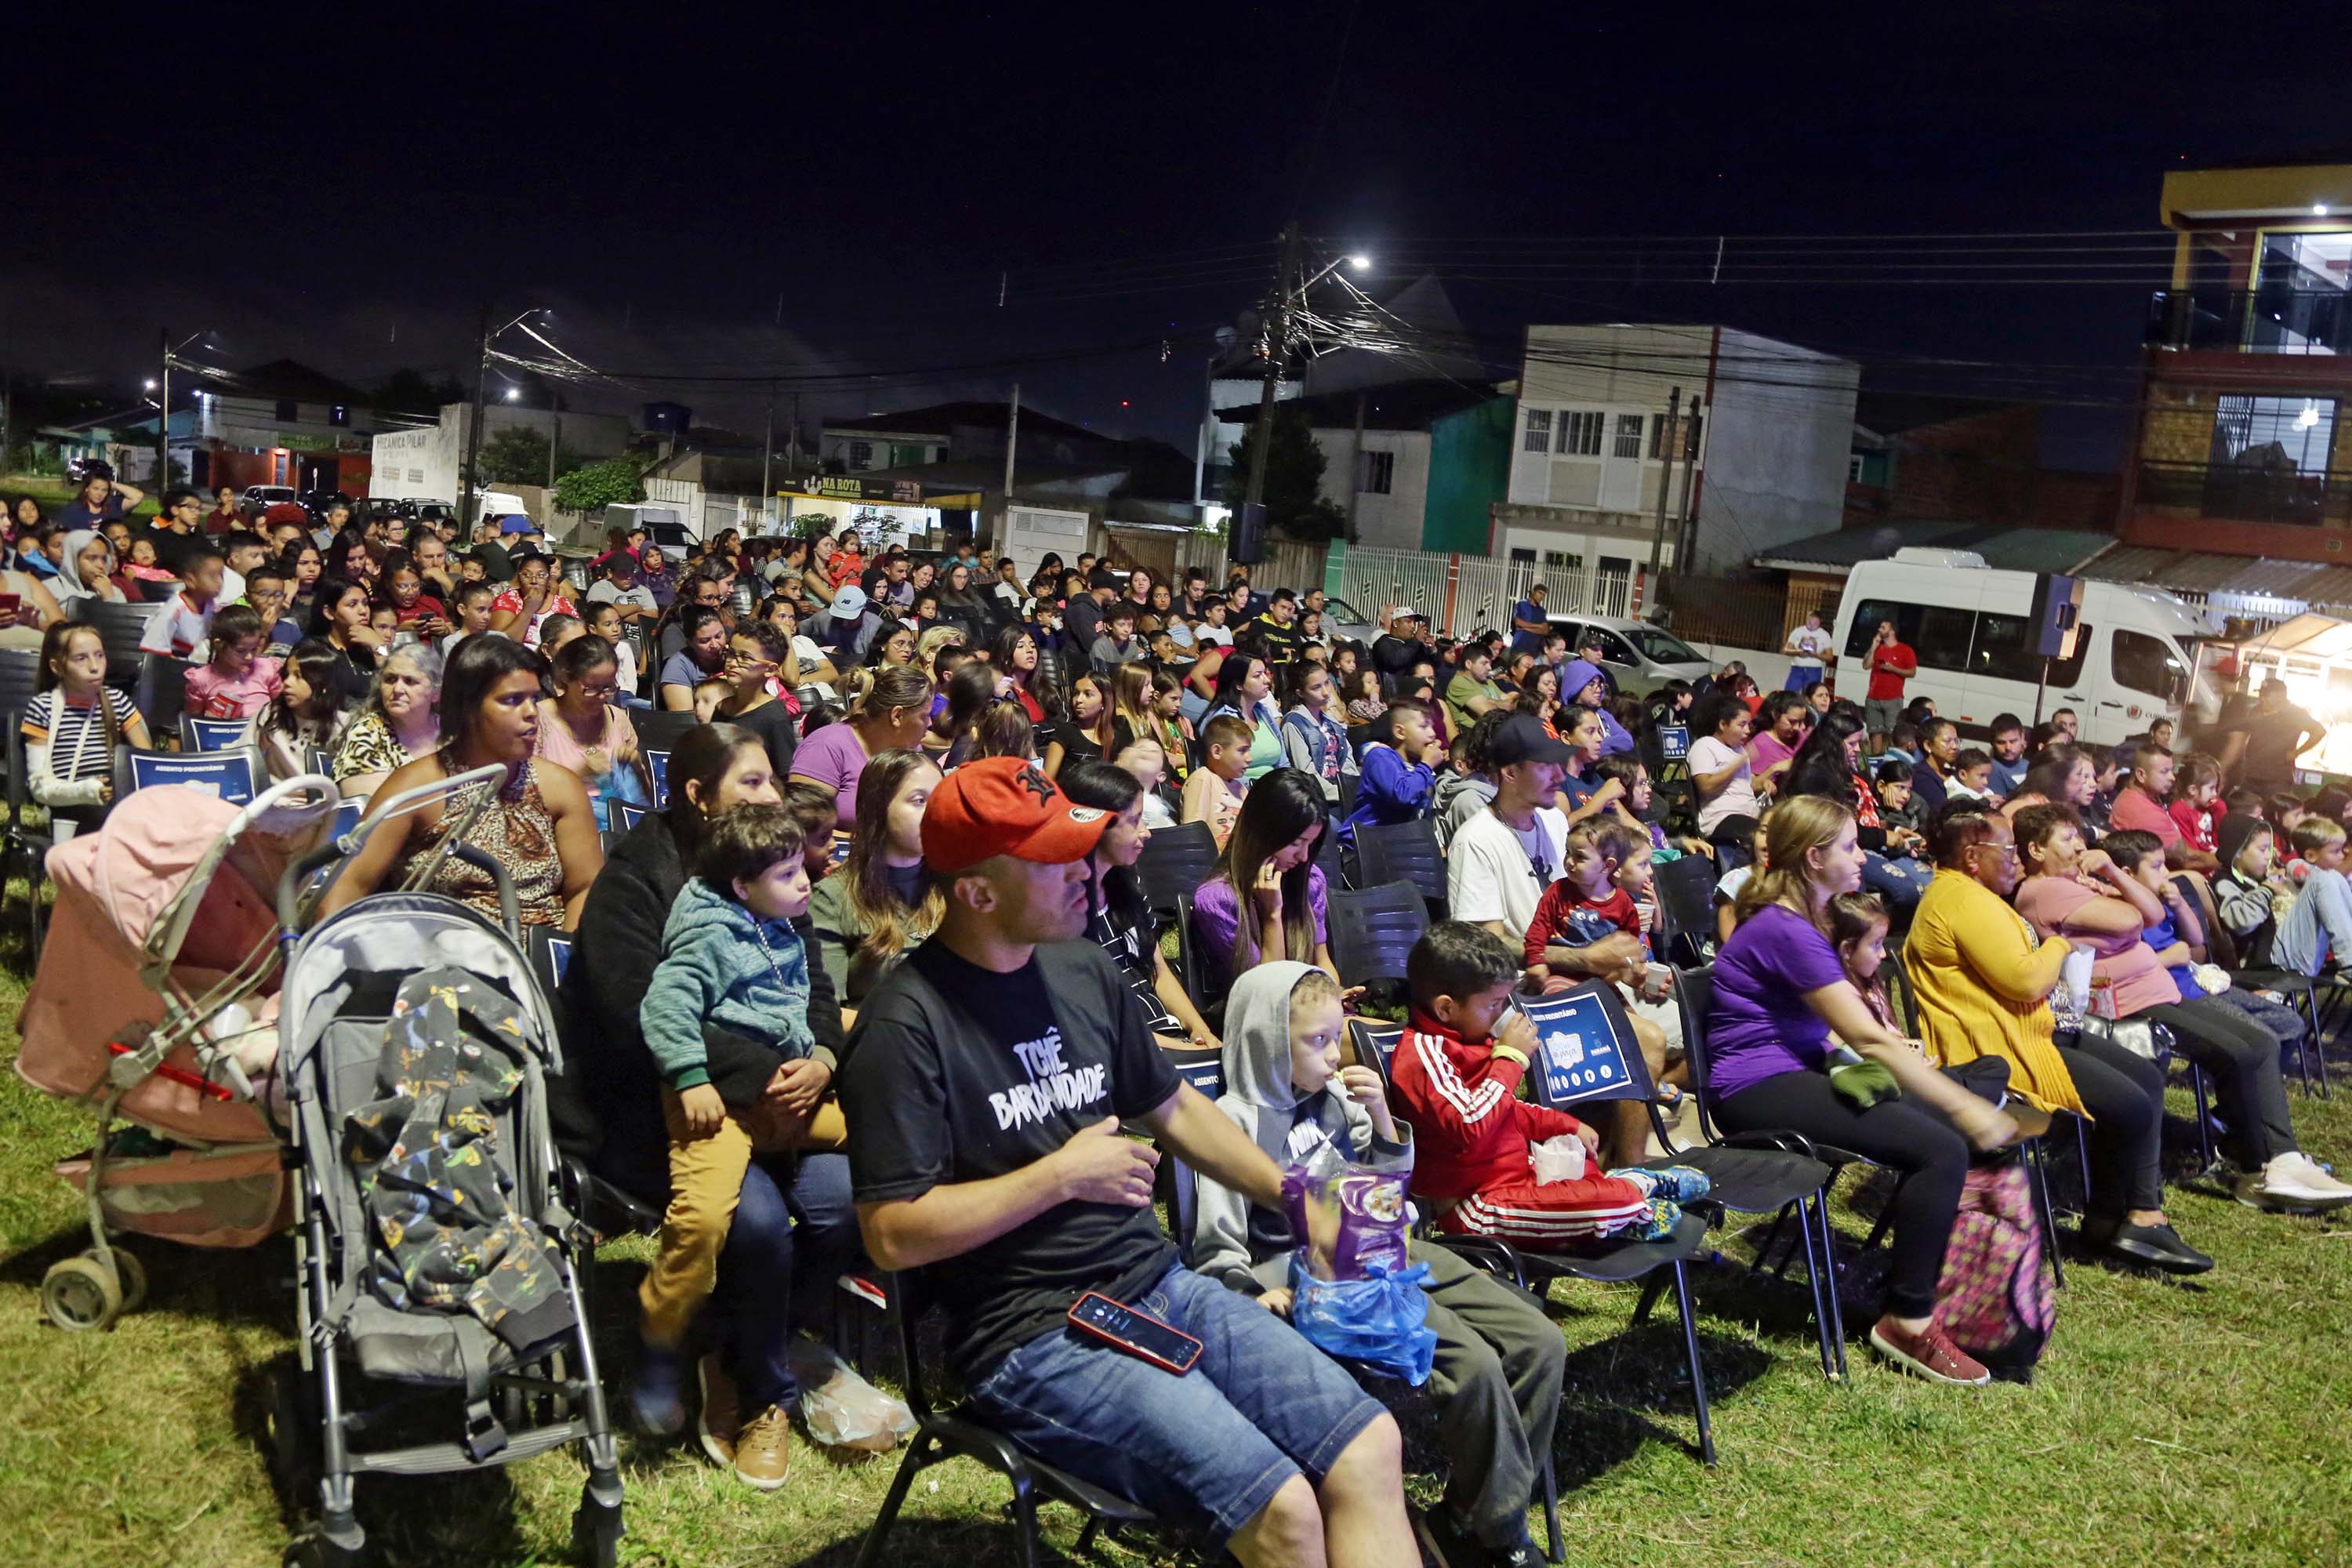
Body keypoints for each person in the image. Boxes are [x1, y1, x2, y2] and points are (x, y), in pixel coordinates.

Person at [838, 755, 1414, 1565]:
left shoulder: (1079, 967)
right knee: (1284, 1507)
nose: (1086, 870)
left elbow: (1175, 1107)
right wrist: (1059, 1177)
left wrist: (1296, 1194)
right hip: (1029, 1331)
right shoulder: (905, 1024)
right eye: (1054, 860)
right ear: (976, 890)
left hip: (1155, 1281)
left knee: (1369, 1443)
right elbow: (892, 1234)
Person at [1192, 959, 1566, 1568]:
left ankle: (1468, 1517)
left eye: (1335, 1037)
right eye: (1316, 1042)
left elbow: (1389, 1199)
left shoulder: (1335, 1101)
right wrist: (1248, 1294)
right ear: (1266, 1042)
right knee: (1471, 1366)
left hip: (1385, 1247)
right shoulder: (1234, 1124)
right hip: (1314, 1277)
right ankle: (1493, 1535)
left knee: (1540, 1342)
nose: (1335, 1056)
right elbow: (1217, 1250)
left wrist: (1385, 1121)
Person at [557, 723, 850, 1479]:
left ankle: (737, 1343)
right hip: (672, 1106)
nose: (771, 795)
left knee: (849, 1199)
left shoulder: (772, 864)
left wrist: (818, 1059)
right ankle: (759, 1391)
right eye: (750, 783)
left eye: (772, 781)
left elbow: (813, 983)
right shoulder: (641, 878)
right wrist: (760, 1081)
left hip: (783, 1093)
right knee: (755, 1226)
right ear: (698, 796)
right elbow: (636, 1012)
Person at [1708, 795, 2023, 1385]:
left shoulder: (1799, 919)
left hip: (1805, 1064)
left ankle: (1928, 1278)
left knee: (1938, 1122)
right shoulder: (1786, 929)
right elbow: (1866, 1036)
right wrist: (1968, 1107)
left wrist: (1945, 1100)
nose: (1861, 858)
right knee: (1942, 1146)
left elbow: (1843, 1035)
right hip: (1755, 1086)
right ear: (1814, 858)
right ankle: (1906, 1322)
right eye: (1851, 847)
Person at [632, 803, 846, 1488]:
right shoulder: (707, 935)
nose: (804, 882)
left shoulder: (787, 922)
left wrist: (823, 1061)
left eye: (800, 867)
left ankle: (754, 1344)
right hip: (714, 1107)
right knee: (700, 1223)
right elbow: (665, 1008)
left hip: (788, 1102)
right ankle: (660, 1340)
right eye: (786, 874)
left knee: (891, 1155)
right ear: (741, 888)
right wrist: (691, 1077)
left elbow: (817, 1002)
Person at [1905, 808, 2212, 1273]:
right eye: (2007, 851)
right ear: (1972, 857)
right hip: (1994, 1050)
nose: (2014, 860)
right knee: (2130, 1104)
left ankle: (2119, 1221)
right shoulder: (1962, 901)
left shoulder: (1972, 896)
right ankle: (2122, 1221)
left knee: (2143, 1076)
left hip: (2029, 1029)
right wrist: (2060, 944)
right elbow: (2026, 982)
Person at [2010, 804, 2350, 1210]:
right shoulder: (2045, 889)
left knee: (2260, 1042)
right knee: (2240, 1052)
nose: (2080, 846)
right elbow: (2132, 923)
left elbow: (2151, 912)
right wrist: (2113, 883)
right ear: (2035, 850)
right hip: (2123, 1002)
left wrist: (2113, 878)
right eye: (2066, 839)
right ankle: (2261, 1166)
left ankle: (2281, 1158)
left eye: (2078, 837)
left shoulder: (2079, 884)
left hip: (2157, 989)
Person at [1389, 920, 1699, 1252]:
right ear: (1446, 1008)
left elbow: (1505, 1108)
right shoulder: (1424, 1056)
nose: (1500, 1014)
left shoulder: (1471, 1038)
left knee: (1586, 1170)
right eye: (1494, 1004)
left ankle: (1631, 1190)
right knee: (1607, 1201)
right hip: (1475, 1205)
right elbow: (1470, 1125)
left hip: (1517, 1176)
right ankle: (1634, 1199)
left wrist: (1564, 1124)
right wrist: (1509, 1060)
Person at [319, 637, 603, 928]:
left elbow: (585, 887)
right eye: (512, 700)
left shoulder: (559, 787)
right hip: (449, 957)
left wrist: (564, 957)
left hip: (543, 956)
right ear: (468, 707)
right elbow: (349, 885)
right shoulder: (418, 786)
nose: (532, 712)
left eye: (533, 698)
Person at [1059, 760, 1222, 1051]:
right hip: (1118, 1052)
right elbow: (1096, 1021)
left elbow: (1157, 969)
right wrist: (1186, 1050)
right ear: (1097, 828)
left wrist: (1199, 1029)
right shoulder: (1060, 911)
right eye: (1135, 821)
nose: (1146, 832)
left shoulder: (1127, 884)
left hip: (1165, 1039)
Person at [1189, 769, 1341, 1015]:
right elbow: (1267, 992)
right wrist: (1272, 914)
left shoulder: (1309, 880)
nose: (1303, 857)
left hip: (1311, 1013)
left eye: (1310, 845)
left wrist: (1336, 998)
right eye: (1295, 843)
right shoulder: (1218, 900)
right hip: (1265, 1019)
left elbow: (1322, 962)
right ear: (1263, 832)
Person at [806, 748, 940, 1012]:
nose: (935, 812)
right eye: (919, 800)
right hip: (882, 1042)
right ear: (878, 809)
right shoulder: (832, 898)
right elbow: (826, 1015)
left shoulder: (956, 886)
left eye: (939, 799)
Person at [1446, 714, 1572, 958]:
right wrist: (1584, 959)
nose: (1560, 777)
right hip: (1527, 983)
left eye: (1560, 764)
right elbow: (1487, 943)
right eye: (1546, 766)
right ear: (1510, 773)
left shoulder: (1554, 819)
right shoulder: (1475, 840)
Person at [1785, 708, 1930, 910]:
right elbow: (1834, 828)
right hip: (1824, 851)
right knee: (1906, 891)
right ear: (1833, 742)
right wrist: (1883, 837)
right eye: (1852, 744)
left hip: (1853, 844)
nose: (1858, 750)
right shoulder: (1814, 776)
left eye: (1859, 743)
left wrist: (1893, 831)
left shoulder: (1837, 769)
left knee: (1927, 882)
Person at [23, 622, 149, 833]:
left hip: (117, 808)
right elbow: (39, 786)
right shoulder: (43, 707)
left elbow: (147, 762)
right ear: (57, 667)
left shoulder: (117, 701)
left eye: (100, 655)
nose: (94, 666)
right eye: (81, 658)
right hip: (69, 814)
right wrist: (87, 791)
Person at [536, 633, 651, 831]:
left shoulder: (617, 718)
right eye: (591, 688)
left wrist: (637, 768)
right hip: (563, 832)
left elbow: (644, 801)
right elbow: (527, 800)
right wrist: (580, 774)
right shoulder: (539, 721)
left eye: (608, 687)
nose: (601, 697)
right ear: (566, 677)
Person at [330, 641, 445, 799]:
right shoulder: (367, 735)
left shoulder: (449, 727)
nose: (397, 689)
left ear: (436, 693)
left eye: (410, 681)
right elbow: (373, 815)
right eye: (390, 679)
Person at [1344, 700, 1442, 840]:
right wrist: (1426, 765)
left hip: (1403, 847)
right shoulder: (1380, 756)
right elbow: (1402, 795)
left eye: (1432, 726)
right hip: (1366, 848)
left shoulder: (1420, 767)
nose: (1432, 733)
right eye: (1423, 726)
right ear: (1400, 732)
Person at [712, 622, 800, 776]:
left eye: (745, 658)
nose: (732, 663)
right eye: (731, 654)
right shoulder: (722, 707)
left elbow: (785, 775)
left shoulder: (774, 717)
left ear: (770, 670)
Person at [1279, 660, 1356, 819]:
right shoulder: (1294, 723)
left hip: (1343, 793)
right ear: (1300, 693)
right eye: (1316, 688)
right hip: (1320, 800)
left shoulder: (1331, 722)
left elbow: (1347, 759)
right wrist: (1340, 793)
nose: (1326, 692)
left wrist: (1353, 788)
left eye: (1327, 683)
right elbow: (1306, 773)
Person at [1686, 694, 1762, 855]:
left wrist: (1769, 776)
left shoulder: (1739, 750)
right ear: (1723, 724)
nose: (1747, 731)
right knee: (1762, 837)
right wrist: (1738, 763)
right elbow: (1706, 787)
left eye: (1749, 725)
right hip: (1722, 818)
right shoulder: (1705, 746)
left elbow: (1745, 787)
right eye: (1742, 725)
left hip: (1750, 814)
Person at [181, 603, 281, 720]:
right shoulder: (201, 680)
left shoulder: (267, 669)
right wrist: (208, 718)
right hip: (222, 735)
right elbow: (193, 720)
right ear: (219, 645)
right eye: (240, 651)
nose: (249, 657)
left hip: (261, 734)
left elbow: (281, 707)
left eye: (254, 649)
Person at [1203, 651, 1284, 782]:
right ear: (1238, 685)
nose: (1267, 680)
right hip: (1241, 792)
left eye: (1265, 673)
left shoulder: (1263, 712)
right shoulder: (1220, 719)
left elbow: (1283, 763)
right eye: (1257, 676)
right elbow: (1218, 772)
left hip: (1275, 787)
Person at [138, 539, 226, 659]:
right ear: (191, 580)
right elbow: (154, 649)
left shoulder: (211, 605)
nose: (220, 582)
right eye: (213, 576)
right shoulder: (174, 609)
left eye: (221, 575)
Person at [1182, 713, 1253, 847]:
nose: (1250, 758)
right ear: (1217, 752)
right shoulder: (1203, 778)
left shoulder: (1240, 788)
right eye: (1242, 751)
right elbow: (1192, 833)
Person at [489, 549, 577, 648]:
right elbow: (497, 645)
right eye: (527, 575)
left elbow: (577, 640)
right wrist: (528, 610)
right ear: (519, 577)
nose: (534, 581)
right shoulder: (507, 600)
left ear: (549, 579)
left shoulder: (562, 604)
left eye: (541, 575)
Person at [1042, 669, 1116, 779]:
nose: (1079, 700)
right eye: (1076, 693)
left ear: (1104, 701)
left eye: (1088, 694)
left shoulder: (1116, 736)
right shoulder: (1066, 732)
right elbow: (1047, 781)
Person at [1444, 644, 1508, 735]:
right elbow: (1489, 712)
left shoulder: (1488, 682)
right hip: (1474, 738)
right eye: (1484, 663)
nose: (1489, 668)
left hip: (1494, 733)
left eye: (1490, 663)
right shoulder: (1459, 683)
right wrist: (1506, 704)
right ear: (1469, 664)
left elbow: (1512, 700)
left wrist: (1491, 702)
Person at [56, 473, 143, 533]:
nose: (99, 494)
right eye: (96, 489)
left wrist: (112, 484)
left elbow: (137, 497)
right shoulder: (73, 510)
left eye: (104, 490)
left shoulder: (113, 505)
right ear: (87, 489)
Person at [1782, 610, 1832, 692]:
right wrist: (1798, 652)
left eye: (1815, 623)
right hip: (1797, 669)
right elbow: (1786, 650)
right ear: (1807, 619)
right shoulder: (1798, 631)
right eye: (1810, 622)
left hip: (1814, 671)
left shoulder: (1825, 635)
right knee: (1789, 694)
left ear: (1819, 622)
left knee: (1810, 696)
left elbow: (1830, 657)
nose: (1812, 625)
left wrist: (1816, 655)